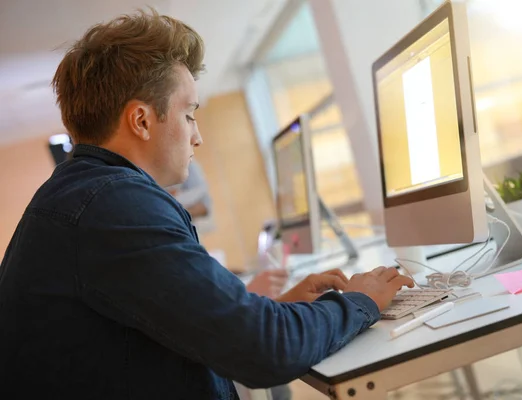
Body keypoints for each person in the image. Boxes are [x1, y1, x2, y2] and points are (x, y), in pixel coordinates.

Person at [0, 9, 414, 399]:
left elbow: (176, 332)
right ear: (141, 120)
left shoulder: (82, 194)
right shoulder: (112, 205)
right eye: (189, 115)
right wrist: (359, 301)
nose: (197, 137)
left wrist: (270, 311)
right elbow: (264, 352)